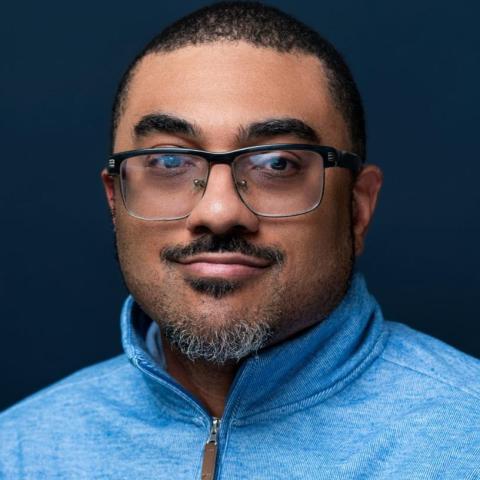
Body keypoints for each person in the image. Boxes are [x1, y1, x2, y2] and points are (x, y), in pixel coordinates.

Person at [1, 2, 479, 478]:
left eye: (278, 163)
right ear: (115, 200)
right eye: (169, 161)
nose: (219, 212)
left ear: (357, 207)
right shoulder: (20, 453)